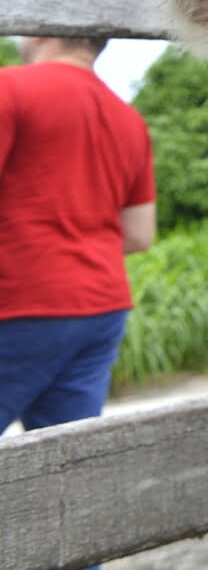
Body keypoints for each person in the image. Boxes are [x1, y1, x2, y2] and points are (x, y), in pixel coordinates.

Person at [0, 36, 156, 432]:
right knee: (64, 457)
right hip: (100, 308)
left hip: (18, 302)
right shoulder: (128, 117)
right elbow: (139, 234)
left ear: (38, 31)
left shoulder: (9, 88)